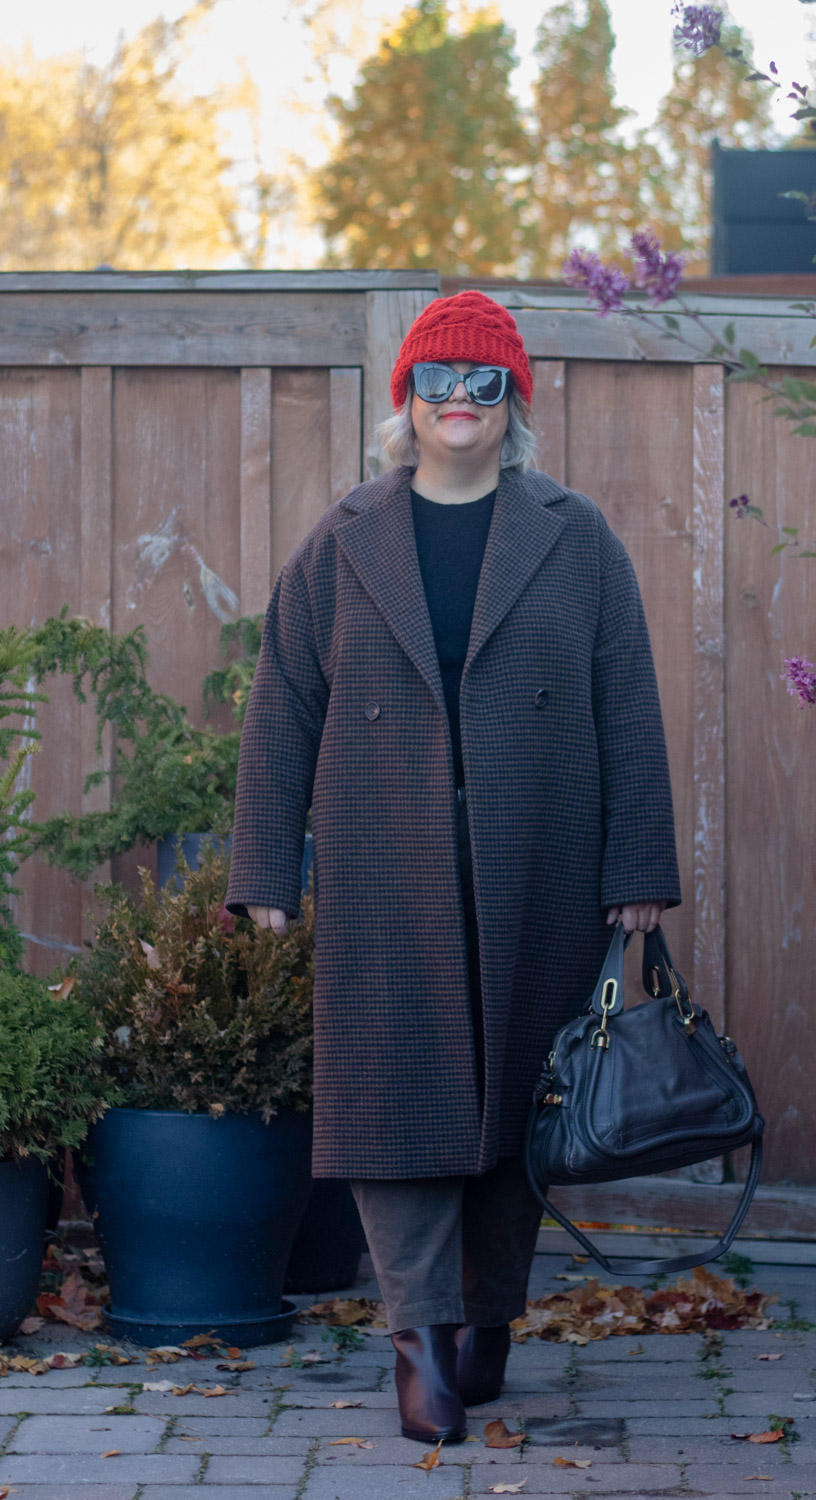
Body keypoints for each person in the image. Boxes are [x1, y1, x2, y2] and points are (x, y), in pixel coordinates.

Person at [225, 289, 681, 1444]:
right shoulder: (343, 538)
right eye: (440, 381)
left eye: (485, 382)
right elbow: (282, 703)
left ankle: (490, 1322)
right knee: (392, 1101)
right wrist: (265, 869)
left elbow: (624, 702)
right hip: (386, 859)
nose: (461, 402)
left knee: (520, 1104)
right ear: (406, 401)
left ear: (512, 400)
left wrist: (637, 861)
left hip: (539, 858)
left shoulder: (573, 539)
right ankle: (417, 1338)